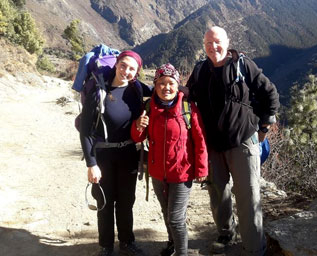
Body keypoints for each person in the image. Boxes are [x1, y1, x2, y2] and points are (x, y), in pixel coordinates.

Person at [186, 26, 280, 256]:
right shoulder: (200, 70)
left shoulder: (243, 65)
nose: (213, 47)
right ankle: (226, 233)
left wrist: (265, 126)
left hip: (242, 140)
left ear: (227, 43)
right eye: (208, 43)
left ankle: (255, 249)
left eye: (217, 42)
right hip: (213, 144)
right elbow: (190, 94)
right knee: (218, 192)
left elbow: (270, 92)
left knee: (248, 195)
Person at [131, 63, 208, 256]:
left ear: (178, 85)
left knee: (175, 218)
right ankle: (172, 244)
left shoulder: (188, 109)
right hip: (157, 173)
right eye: (161, 83)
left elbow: (200, 141)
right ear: (155, 85)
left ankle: (182, 253)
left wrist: (201, 170)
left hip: (182, 172)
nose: (166, 87)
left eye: (171, 83)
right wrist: (139, 126)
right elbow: (138, 138)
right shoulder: (148, 107)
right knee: (166, 213)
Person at [80, 50, 152, 256]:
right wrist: (91, 164)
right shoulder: (98, 91)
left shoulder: (136, 90)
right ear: (116, 64)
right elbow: (86, 132)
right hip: (102, 157)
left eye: (132, 69)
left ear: (137, 72)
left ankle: (127, 242)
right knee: (104, 202)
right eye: (123, 66)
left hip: (128, 153)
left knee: (126, 201)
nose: (126, 71)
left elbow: (162, 90)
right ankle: (106, 246)